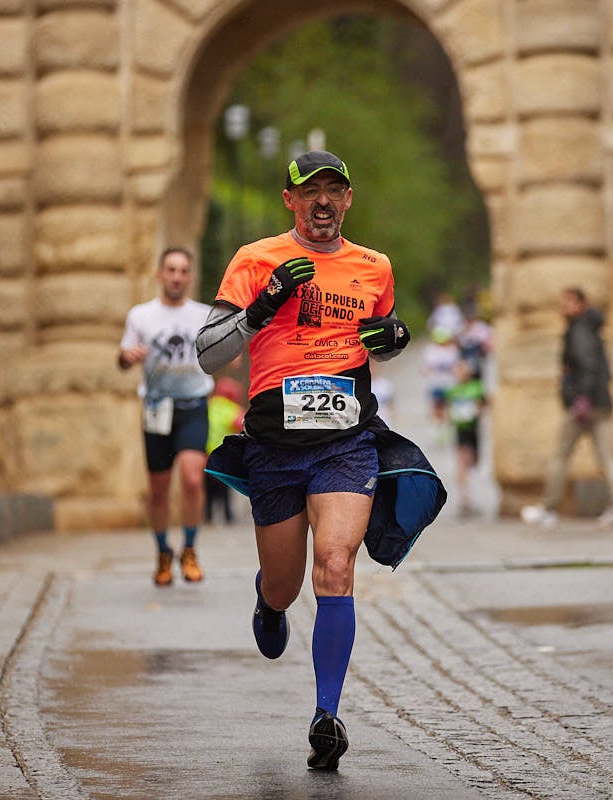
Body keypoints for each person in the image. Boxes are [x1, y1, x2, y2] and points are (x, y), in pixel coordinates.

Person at [196, 150, 413, 771]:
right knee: (287, 583)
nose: (323, 200)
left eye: (334, 190)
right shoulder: (254, 259)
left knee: (337, 564)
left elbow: (385, 334)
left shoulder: (374, 267)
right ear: (289, 200)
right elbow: (209, 357)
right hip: (274, 444)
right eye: (311, 190)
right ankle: (268, 602)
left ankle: (327, 715)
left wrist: (395, 338)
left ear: (348, 200)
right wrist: (263, 305)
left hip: (346, 440)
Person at [118, 247, 214, 586]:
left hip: (193, 406)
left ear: (190, 276)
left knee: (191, 478)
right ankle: (162, 552)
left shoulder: (204, 315)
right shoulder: (141, 316)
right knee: (158, 489)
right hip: (157, 408)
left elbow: (220, 353)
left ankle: (189, 549)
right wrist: (129, 356)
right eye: (170, 270)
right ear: (159, 274)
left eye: (183, 270)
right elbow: (123, 359)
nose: (176, 276)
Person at [521, 287, 613, 529]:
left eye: (568, 303)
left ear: (581, 304)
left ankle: (548, 508)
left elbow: (587, 365)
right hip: (601, 402)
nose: (563, 308)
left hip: (583, 405)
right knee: (607, 455)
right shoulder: (592, 328)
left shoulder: (579, 331)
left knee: (561, 455)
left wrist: (581, 398)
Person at [444, 358, 486, 517]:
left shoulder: (476, 387)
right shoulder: (452, 390)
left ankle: (469, 494)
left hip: (473, 430)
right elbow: (447, 407)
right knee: (462, 461)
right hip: (461, 431)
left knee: (474, 462)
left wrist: (475, 411)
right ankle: (465, 498)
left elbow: (482, 406)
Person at [205, 376, 245, 524]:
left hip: (206, 455)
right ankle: (228, 516)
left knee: (208, 490)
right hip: (222, 456)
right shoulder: (231, 408)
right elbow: (241, 424)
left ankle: (207, 516)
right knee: (225, 488)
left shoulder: (209, 405)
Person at [422, 326, 459, 424]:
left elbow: (454, 366)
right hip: (436, 382)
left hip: (448, 382)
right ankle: (439, 426)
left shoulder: (452, 350)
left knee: (448, 406)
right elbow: (429, 366)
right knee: (436, 406)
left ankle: (446, 425)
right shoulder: (431, 350)